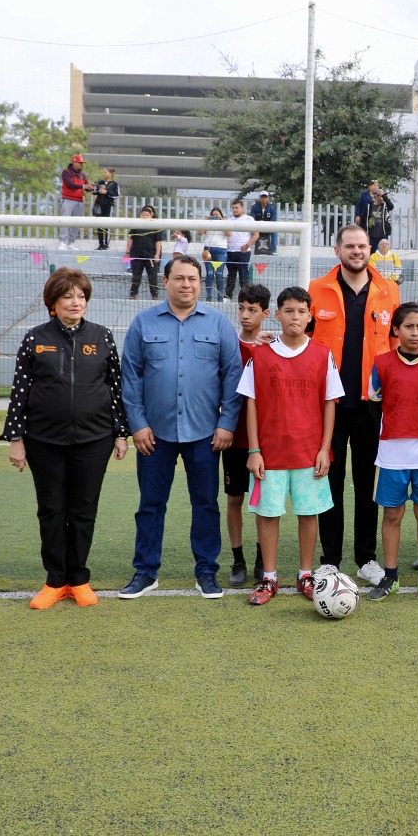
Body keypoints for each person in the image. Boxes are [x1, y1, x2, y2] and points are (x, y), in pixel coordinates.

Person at [1, 268, 130, 609]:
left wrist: (120, 433)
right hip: (44, 441)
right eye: (68, 296)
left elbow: (115, 388)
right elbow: (20, 392)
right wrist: (16, 437)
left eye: (81, 296)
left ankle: (79, 579)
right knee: (51, 511)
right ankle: (55, 580)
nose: (76, 302)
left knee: (84, 510)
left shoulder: (102, 337)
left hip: (94, 440)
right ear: (53, 303)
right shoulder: (34, 338)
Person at [119, 254, 243, 599]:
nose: (186, 284)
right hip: (154, 435)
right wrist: (138, 424)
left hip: (206, 433)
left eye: (192, 278)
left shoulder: (219, 324)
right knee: (150, 504)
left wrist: (226, 423)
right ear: (165, 281)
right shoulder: (143, 324)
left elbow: (233, 377)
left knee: (205, 503)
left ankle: (206, 571)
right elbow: (130, 377)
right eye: (179, 278)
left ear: (201, 284)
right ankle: (145, 571)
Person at [308, 225, 401, 584]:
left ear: (369, 251)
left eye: (362, 246)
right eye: (350, 246)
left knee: (367, 483)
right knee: (329, 481)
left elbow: (394, 346)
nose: (357, 251)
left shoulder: (388, 290)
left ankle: (366, 558)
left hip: (371, 405)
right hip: (329, 405)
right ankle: (330, 558)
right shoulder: (318, 289)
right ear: (337, 250)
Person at [240, 287, 343, 605]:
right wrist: (254, 450)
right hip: (269, 454)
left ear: (310, 315)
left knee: (308, 513)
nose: (295, 316)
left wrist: (325, 447)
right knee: (268, 515)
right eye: (288, 310)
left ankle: (305, 573)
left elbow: (330, 403)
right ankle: (269, 577)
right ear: (278, 314)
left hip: (308, 453)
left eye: (301, 311)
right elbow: (252, 404)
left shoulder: (322, 354)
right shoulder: (261, 355)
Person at [366, 303, 418, 602]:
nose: (415, 332)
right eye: (409, 327)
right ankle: (390, 576)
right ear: (396, 330)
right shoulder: (382, 363)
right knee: (392, 514)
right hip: (392, 454)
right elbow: (374, 404)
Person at [224, 284, 271, 587]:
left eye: (252, 309)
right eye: (241, 308)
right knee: (234, 498)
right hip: (234, 437)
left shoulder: (273, 347)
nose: (245, 315)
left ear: (266, 313)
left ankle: (260, 559)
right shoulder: (228, 345)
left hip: (264, 441)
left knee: (263, 501)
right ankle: (238, 559)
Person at [126, 205, 163, 301]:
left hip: (150, 256)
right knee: (136, 276)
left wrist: (157, 254)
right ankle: (133, 294)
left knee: (152, 277)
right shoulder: (136, 226)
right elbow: (130, 238)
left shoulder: (155, 227)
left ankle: (154, 295)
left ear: (151, 216)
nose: (145, 216)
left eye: (147, 215)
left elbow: (158, 241)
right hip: (138, 256)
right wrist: (128, 251)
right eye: (143, 215)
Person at [223, 199, 257, 300]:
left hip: (243, 252)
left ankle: (246, 297)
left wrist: (247, 245)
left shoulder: (249, 219)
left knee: (243, 275)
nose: (234, 210)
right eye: (233, 208)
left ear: (242, 208)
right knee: (231, 275)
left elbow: (256, 234)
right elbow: (226, 234)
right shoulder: (229, 221)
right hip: (230, 251)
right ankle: (228, 296)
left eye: (236, 208)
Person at [58, 154, 89, 248]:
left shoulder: (82, 175)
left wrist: (91, 187)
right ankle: (63, 241)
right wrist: (83, 186)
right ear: (74, 162)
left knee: (76, 222)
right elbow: (69, 184)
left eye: (82, 163)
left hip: (79, 201)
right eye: (80, 163)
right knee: (65, 221)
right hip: (68, 199)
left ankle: (71, 242)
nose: (82, 165)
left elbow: (86, 186)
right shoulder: (66, 172)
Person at [200, 207, 228, 301]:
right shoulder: (208, 224)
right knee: (210, 274)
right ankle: (209, 297)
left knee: (219, 275)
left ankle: (220, 297)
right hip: (208, 250)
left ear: (221, 215)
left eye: (217, 215)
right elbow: (200, 232)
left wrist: (222, 221)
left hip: (221, 251)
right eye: (213, 215)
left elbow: (229, 233)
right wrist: (207, 222)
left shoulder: (224, 224)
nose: (215, 217)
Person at [92, 167, 119, 251]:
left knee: (107, 224)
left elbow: (116, 195)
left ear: (110, 174)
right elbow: (94, 192)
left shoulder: (114, 184)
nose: (103, 174)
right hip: (99, 205)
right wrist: (96, 188)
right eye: (103, 172)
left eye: (105, 172)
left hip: (108, 206)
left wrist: (107, 192)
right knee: (99, 225)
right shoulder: (100, 182)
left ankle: (106, 244)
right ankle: (101, 243)